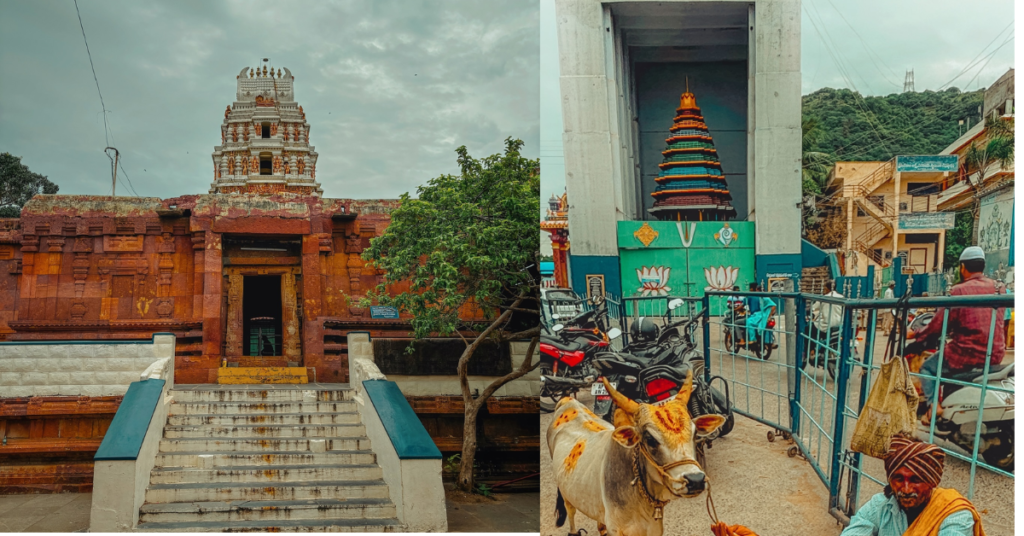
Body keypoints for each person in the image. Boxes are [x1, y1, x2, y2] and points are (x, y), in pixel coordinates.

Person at [907, 246, 1005, 421]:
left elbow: (938, 325)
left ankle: (933, 406)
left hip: (966, 353)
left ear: (962, 267)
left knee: (928, 368)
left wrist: (916, 335)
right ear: (982, 266)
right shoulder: (999, 288)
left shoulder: (958, 291)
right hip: (995, 353)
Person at [841, 434, 985, 535]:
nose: (907, 489)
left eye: (916, 480)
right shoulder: (881, 506)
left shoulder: (954, 513)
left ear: (932, 481)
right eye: (899, 479)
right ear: (890, 480)